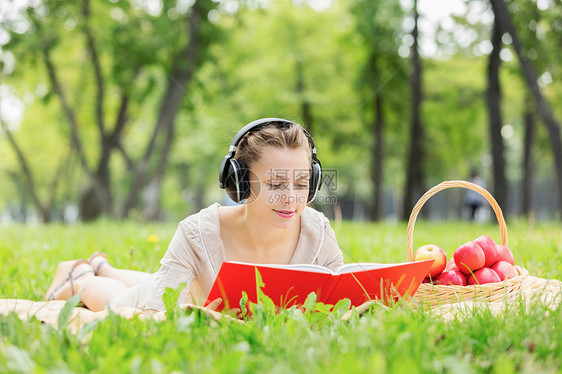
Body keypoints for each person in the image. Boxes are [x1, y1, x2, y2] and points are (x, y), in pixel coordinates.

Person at [44, 118, 344, 313]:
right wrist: (203, 317)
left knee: (161, 285)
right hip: (186, 302)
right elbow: (153, 308)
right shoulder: (197, 233)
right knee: (128, 306)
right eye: (276, 183)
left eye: (301, 183)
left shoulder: (317, 231)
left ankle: (103, 266)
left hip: (191, 291)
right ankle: (81, 278)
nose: (291, 197)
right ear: (240, 182)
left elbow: (342, 294)